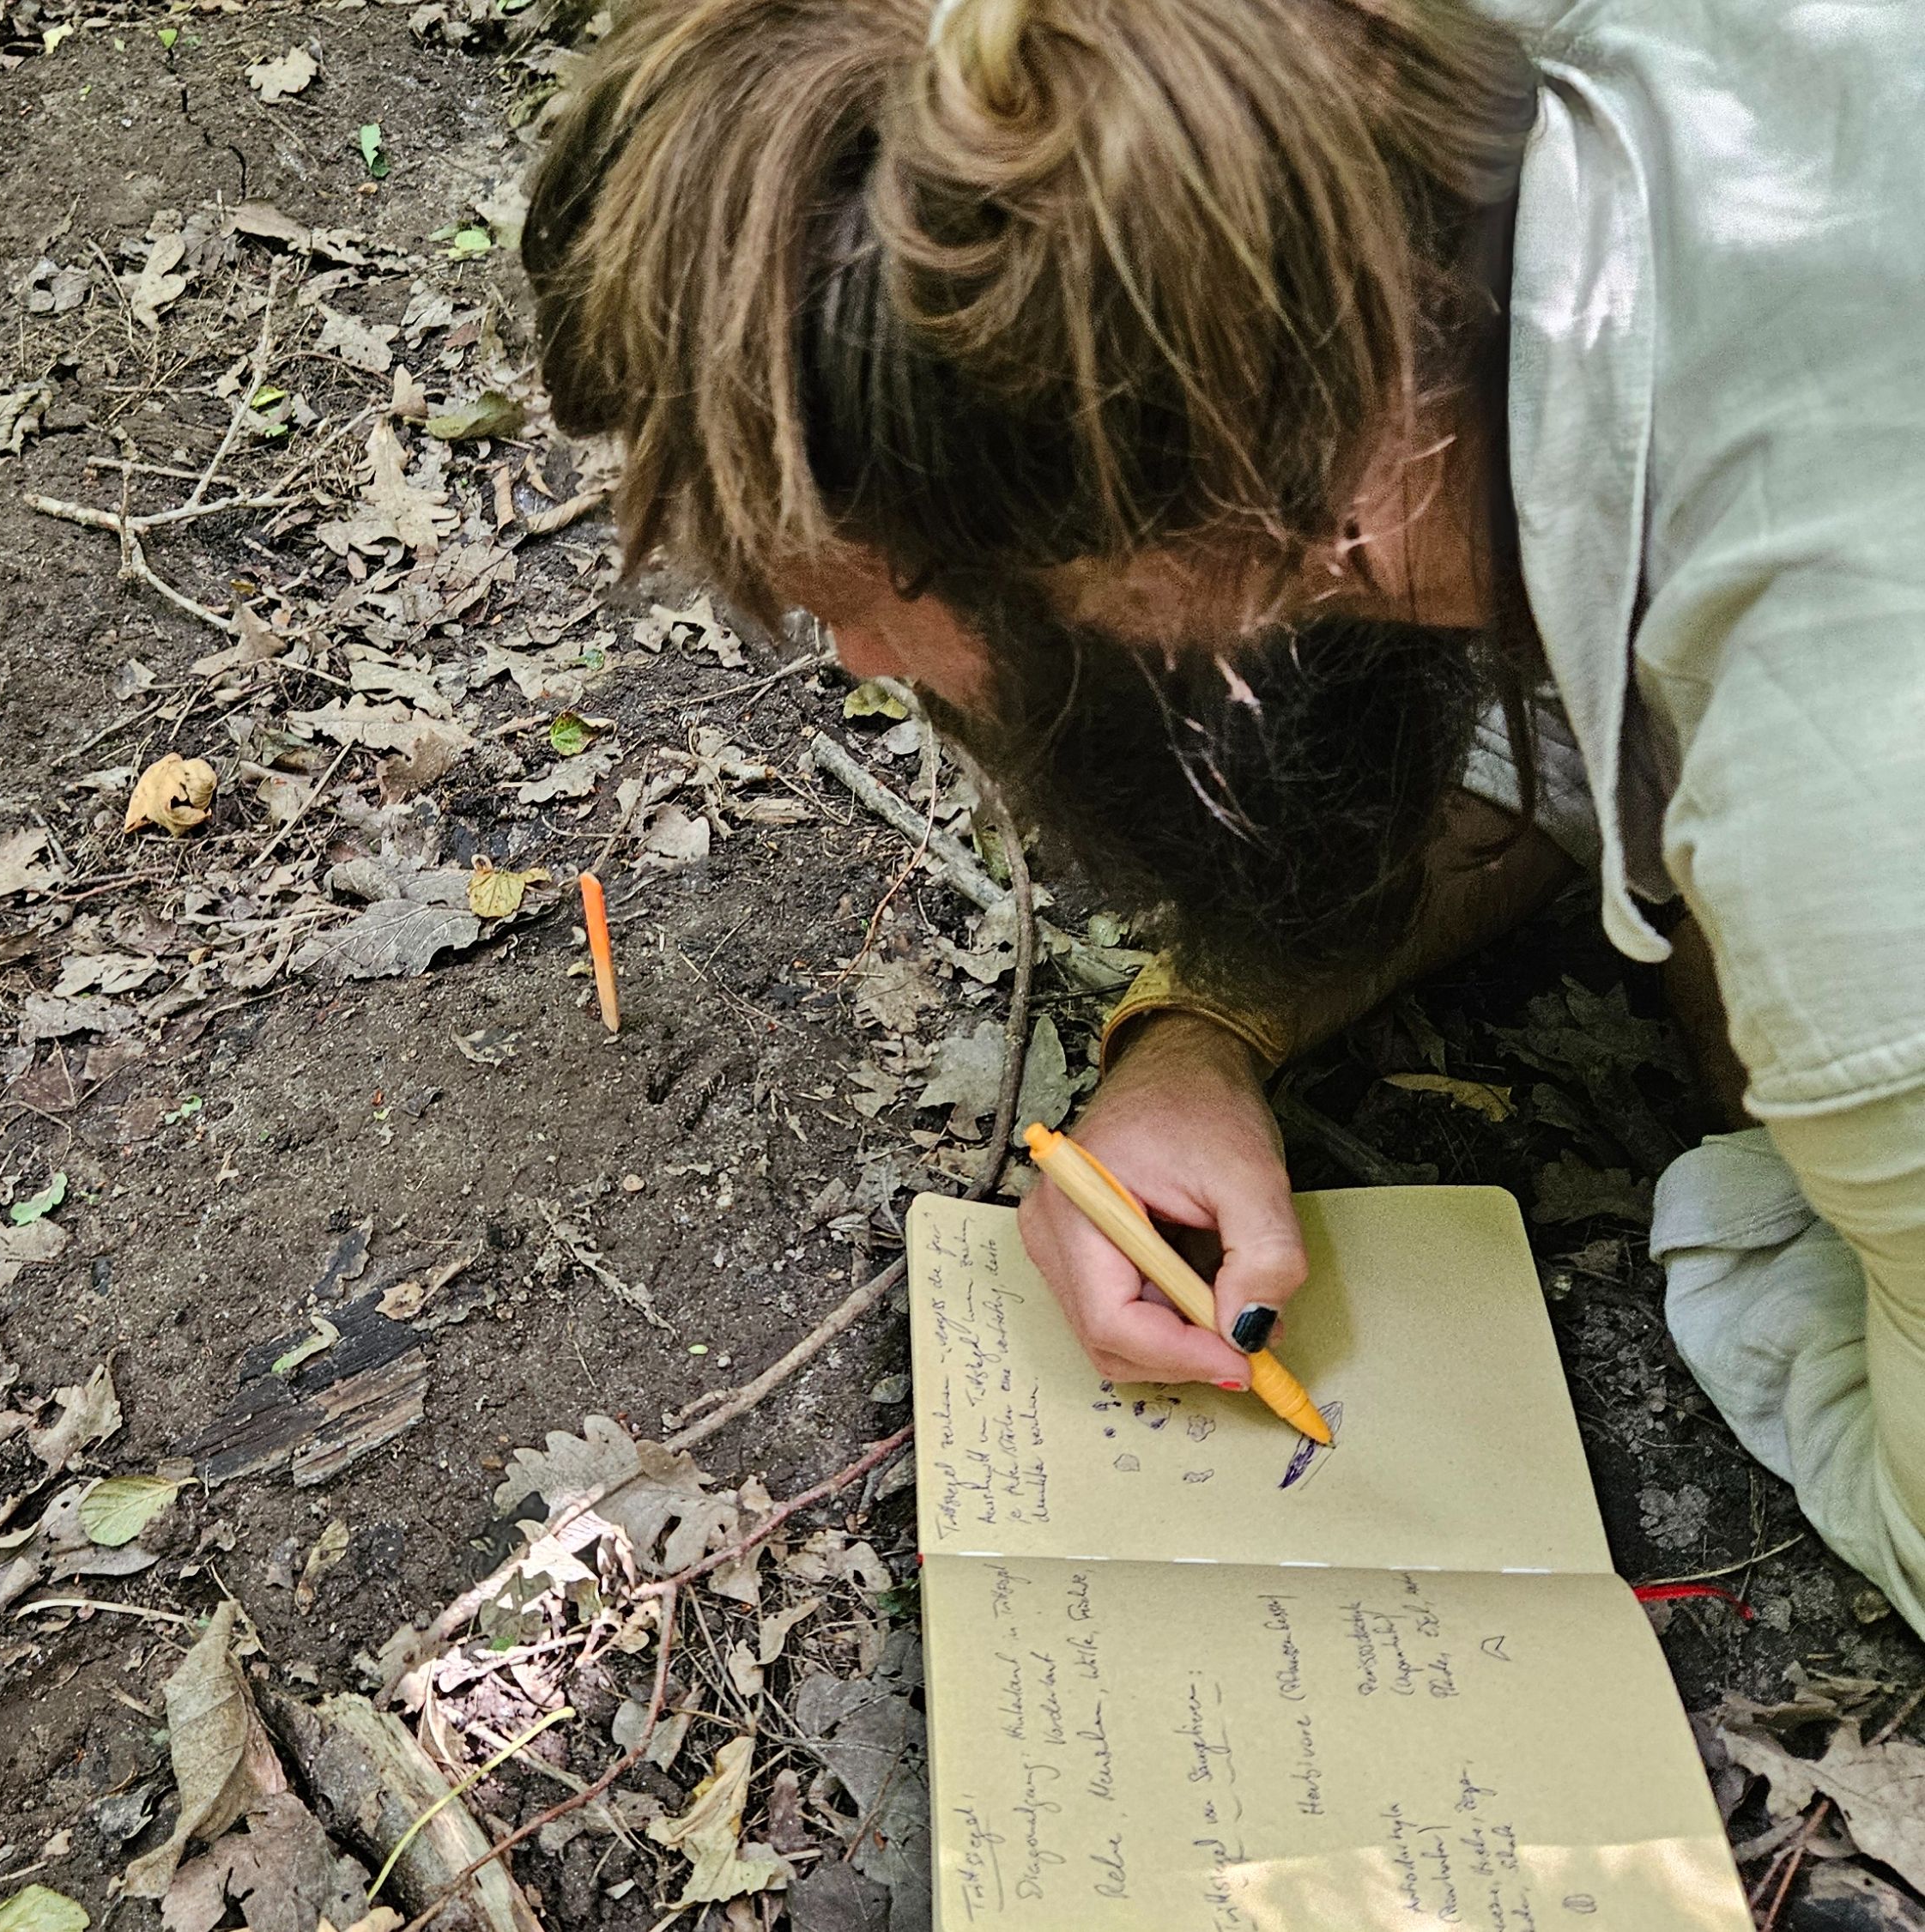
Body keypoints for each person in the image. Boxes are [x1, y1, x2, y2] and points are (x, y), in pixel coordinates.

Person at [520, 0, 1925, 1633]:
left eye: (880, 591)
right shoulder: (1459, 190)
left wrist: (1773, 1207)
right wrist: (1201, 1031)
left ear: (1178, 519)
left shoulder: (1853, 848)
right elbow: (1540, 659)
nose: (855, 661)